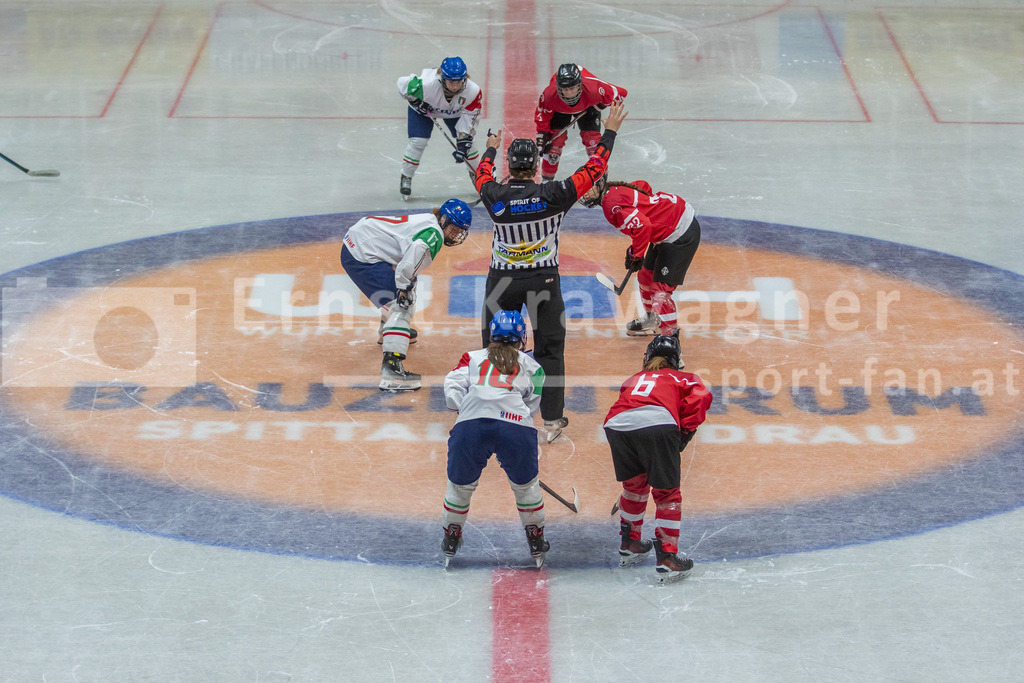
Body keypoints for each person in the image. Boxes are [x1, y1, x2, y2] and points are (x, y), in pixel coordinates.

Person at [474, 101, 629, 443]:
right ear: (534, 170)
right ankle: (553, 420)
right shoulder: (555, 194)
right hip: (543, 281)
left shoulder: (494, 195)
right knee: (550, 350)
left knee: (495, 346)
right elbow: (595, 167)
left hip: (502, 281)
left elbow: (481, 174)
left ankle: (490, 408)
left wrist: (489, 147)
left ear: (510, 167)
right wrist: (611, 130)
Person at [440, 310, 549, 568]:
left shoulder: (472, 357)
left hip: (471, 424)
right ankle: (536, 539)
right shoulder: (535, 367)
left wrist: (465, 409)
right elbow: (531, 408)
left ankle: (451, 536)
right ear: (522, 336)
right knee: (526, 487)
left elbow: (451, 387)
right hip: (516, 426)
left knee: (459, 487)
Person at [603, 332, 712, 583]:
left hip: (616, 425)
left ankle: (630, 543)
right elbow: (701, 398)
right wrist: (684, 431)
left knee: (634, 487)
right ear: (675, 360)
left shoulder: (635, 378)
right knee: (667, 494)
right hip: (658, 425)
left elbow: (628, 399)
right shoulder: (684, 377)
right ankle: (667, 558)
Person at [340, 199, 473, 392]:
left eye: (460, 231)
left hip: (362, 241)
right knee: (402, 306)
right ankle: (391, 371)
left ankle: (389, 332)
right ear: (443, 220)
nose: (456, 234)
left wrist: (405, 286)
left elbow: (406, 260)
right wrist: (403, 290)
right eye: (454, 229)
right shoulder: (433, 235)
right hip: (362, 253)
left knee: (405, 291)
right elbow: (409, 264)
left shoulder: (430, 221)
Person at [581, 177, 701, 337]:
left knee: (660, 291)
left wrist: (636, 254)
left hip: (680, 231)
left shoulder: (611, 205)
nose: (585, 193)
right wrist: (634, 250)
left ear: (600, 184)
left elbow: (643, 226)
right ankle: (652, 320)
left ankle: (670, 341)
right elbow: (643, 186)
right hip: (666, 228)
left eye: (589, 188)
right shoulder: (615, 190)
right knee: (645, 277)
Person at [396, 57, 482, 197]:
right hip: (424, 111)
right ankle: (406, 175)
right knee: (419, 142)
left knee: (468, 145)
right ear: (442, 78)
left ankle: (478, 177)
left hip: (453, 112)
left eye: (459, 82)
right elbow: (402, 84)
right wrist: (416, 100)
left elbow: (471, 115)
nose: (455, 87)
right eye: (450, 82)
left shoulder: (473, 91)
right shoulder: (426, 85)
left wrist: (463, 140)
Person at [535, 63, 627, 181]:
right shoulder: (549, 95)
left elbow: (621, 93)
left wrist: (598, 107)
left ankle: (601, 180)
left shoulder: (594, 88)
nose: (569, 94)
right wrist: (542, 136)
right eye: (565, 89)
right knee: (555, 143)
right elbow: (543, 114)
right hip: (559, 110)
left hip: (588, 106)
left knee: (593, 143)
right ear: (558, 87)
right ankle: (546, 181)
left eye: (572, 88)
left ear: (580, 85)